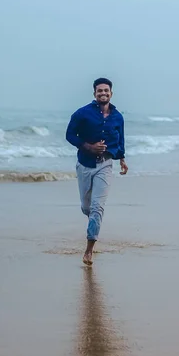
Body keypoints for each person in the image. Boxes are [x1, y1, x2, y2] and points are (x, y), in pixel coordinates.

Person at [66, 78, 128, 265]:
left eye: (106, 91)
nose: (103, 93)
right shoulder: (82, 113)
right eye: (99, 91)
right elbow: (69, 135)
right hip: (85, 164)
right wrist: (88, 147)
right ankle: (93, 220)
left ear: (111, 93)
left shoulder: (118, 117)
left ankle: (89, 250)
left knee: (97, 208)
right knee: (87, 208)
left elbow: (121, 138)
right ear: (94, 94)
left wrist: (122, 159)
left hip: (105, 165)